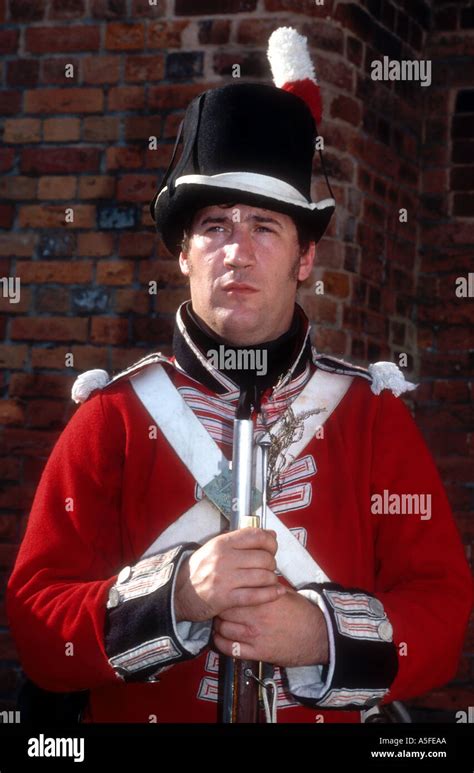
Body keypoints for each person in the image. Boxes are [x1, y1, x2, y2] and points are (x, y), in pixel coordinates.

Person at [6, 28, 472, 724]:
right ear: (185, 255)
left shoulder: (373, 419)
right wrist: (178, 597)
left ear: (305, 257)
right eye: (215, 224)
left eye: (265, 226)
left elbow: (441, 612)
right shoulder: (113, 417)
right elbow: (40, 627)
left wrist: (317, 633)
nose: (237, 251)